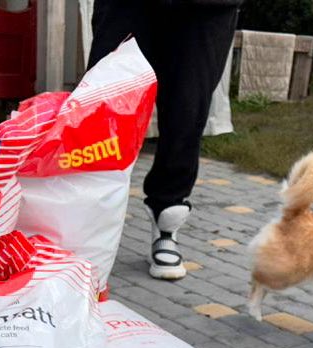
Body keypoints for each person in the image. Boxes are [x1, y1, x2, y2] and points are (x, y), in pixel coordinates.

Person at [88, 0, 241, 281]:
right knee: (101, 106)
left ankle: (166, 226)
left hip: (207, 8)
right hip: (127, 7)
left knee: (187, 112)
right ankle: (81, 229)